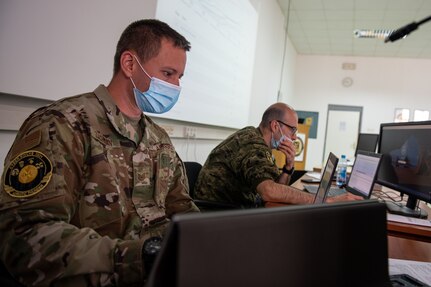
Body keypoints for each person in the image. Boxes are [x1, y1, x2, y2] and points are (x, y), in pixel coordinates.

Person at [0, 19, 199, 286]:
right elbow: (25, 234)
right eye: (168, 73)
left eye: (179, 77)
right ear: (129, 65)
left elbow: (182, 210)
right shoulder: (62, 124)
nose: (175, 86)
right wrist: (139, 258)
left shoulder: (159, 139)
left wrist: (209, 242)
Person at [194, 102, 362, 208]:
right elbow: (269, 192)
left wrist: (288, 167)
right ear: (275, 126)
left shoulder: (259, 142)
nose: (295, 137)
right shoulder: (251, 145)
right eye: (293, 130)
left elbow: (275, 186)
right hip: (218, 214)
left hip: (234, 209)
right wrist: (326, 201)